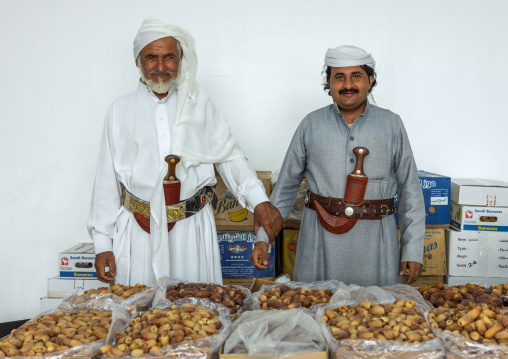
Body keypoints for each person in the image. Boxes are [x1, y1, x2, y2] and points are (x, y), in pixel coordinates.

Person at [88, 18, 282, 286]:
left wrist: (259, 200)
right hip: (137, 232)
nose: (160, 67)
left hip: (191, 230)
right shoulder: (119, 111)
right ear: (137, 62)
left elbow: (229, 156)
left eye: (169, 57)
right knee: (140, 318)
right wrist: (102, 243)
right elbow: (105, 181)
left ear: (181, 58)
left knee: (197, 315)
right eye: (151, 58)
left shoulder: (198, 103)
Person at [251, 45, 425, 286]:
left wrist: (413, 250)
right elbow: (285, 189)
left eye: (356, 76)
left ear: (370, 80)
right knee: (315, 314)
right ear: (329, 82)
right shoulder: (310, 124)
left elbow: (411, 192)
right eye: (339, 77)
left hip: (377, 246)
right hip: (318, 244)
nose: (348, 85)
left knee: (376, 319)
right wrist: (262, 238)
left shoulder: (392, 124)